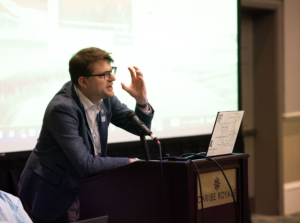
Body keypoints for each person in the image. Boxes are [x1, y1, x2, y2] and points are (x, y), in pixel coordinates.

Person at [18, 47, 154, 222]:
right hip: (53, 190)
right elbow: (85, 164)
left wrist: (141, 101)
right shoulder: (62, 109)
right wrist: (130, 163)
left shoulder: (106, 98)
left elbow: (139, 129)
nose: (112, 78)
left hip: (87, 186)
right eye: (104, 74)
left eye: (111, 71)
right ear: (83, 82)